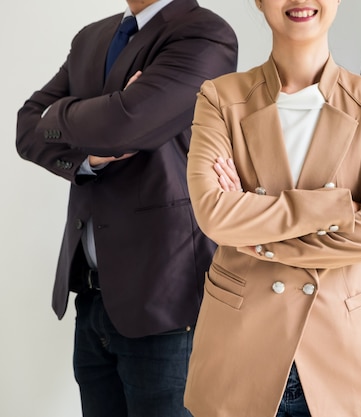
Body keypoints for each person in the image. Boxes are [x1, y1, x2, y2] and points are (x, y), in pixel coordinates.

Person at [182, 0, 361, 416]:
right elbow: (215, 215)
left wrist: (255, 227)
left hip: (345, 359)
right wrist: (337, 207)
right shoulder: (219, 98)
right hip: (239, 355)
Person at [15, 1, 237, 416]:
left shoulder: (204, 34)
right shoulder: (91, 37)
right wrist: (92, 152)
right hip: (93, 300)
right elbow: (26, 128)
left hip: (167, 303)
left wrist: (67, 114)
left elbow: (123, 126)